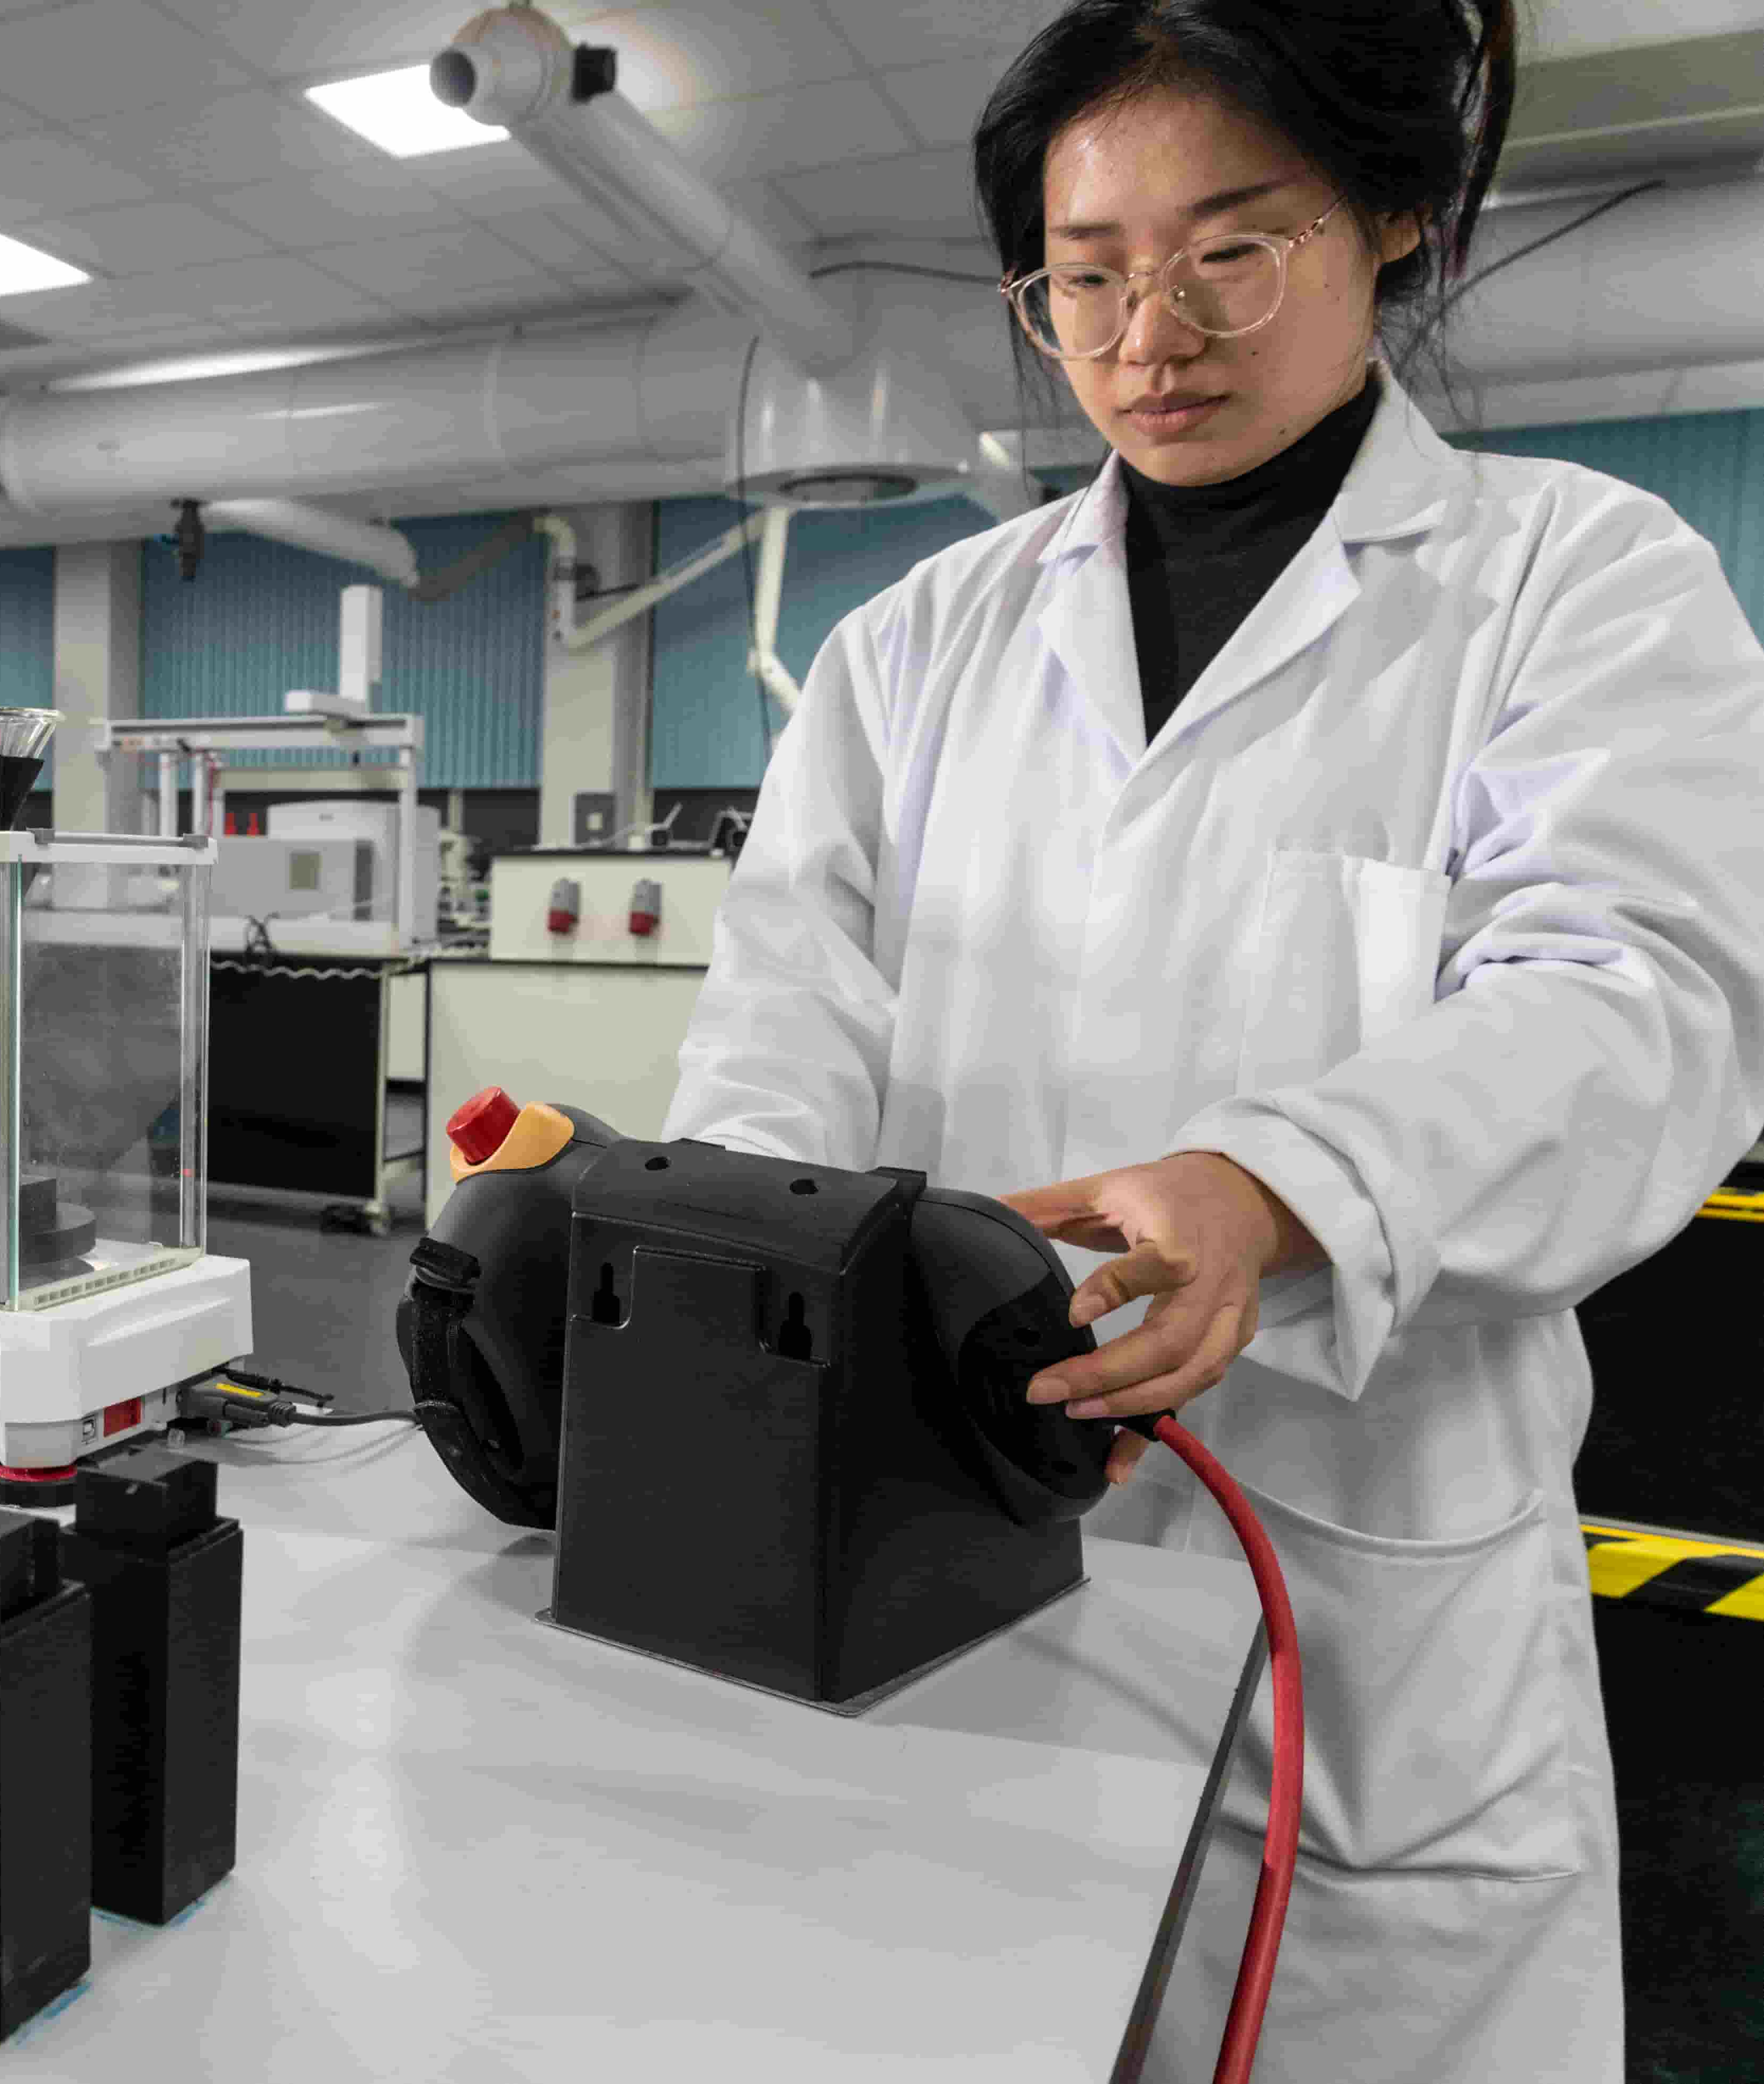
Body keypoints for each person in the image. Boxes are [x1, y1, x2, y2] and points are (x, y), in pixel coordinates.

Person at [665, 2, 1764, 2076]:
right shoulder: (911, 649)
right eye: (1083, 274)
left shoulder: (1580, 586)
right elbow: (781, 1032)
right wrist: (706, 1261)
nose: (1147, 327)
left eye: (1229, 247)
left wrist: (1286, 1188)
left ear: (1396, 230)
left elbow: (1642, 1000)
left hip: (1354, 1606)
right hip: (943, 1536)